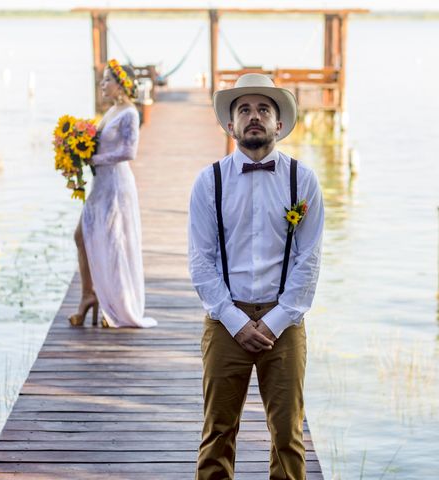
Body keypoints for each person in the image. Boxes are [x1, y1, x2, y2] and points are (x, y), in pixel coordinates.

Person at [188, 73, 324, 480]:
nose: (254, 117)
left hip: (285, 322)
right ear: (230, 125)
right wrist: (235, 320)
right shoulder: (208, 182)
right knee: (217, 435)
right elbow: (201, 261)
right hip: (225, 320)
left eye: (263, 109)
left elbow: (309, 261)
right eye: (243, 109)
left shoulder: (304, 181)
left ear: (278, 123)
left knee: (288, 438)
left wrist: (276, 319)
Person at [68, 59, 157, 329]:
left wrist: (94, 159)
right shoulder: (112, 110)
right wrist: (75, 149)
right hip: (101, 185)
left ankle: (116, 306)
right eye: (103, 79)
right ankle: (89, 294)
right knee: (82, 236)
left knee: (114, 242)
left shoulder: (130, 113)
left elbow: (129, 152)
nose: (102, 84)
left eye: (107, 79)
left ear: (121, 84)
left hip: (116, 185)